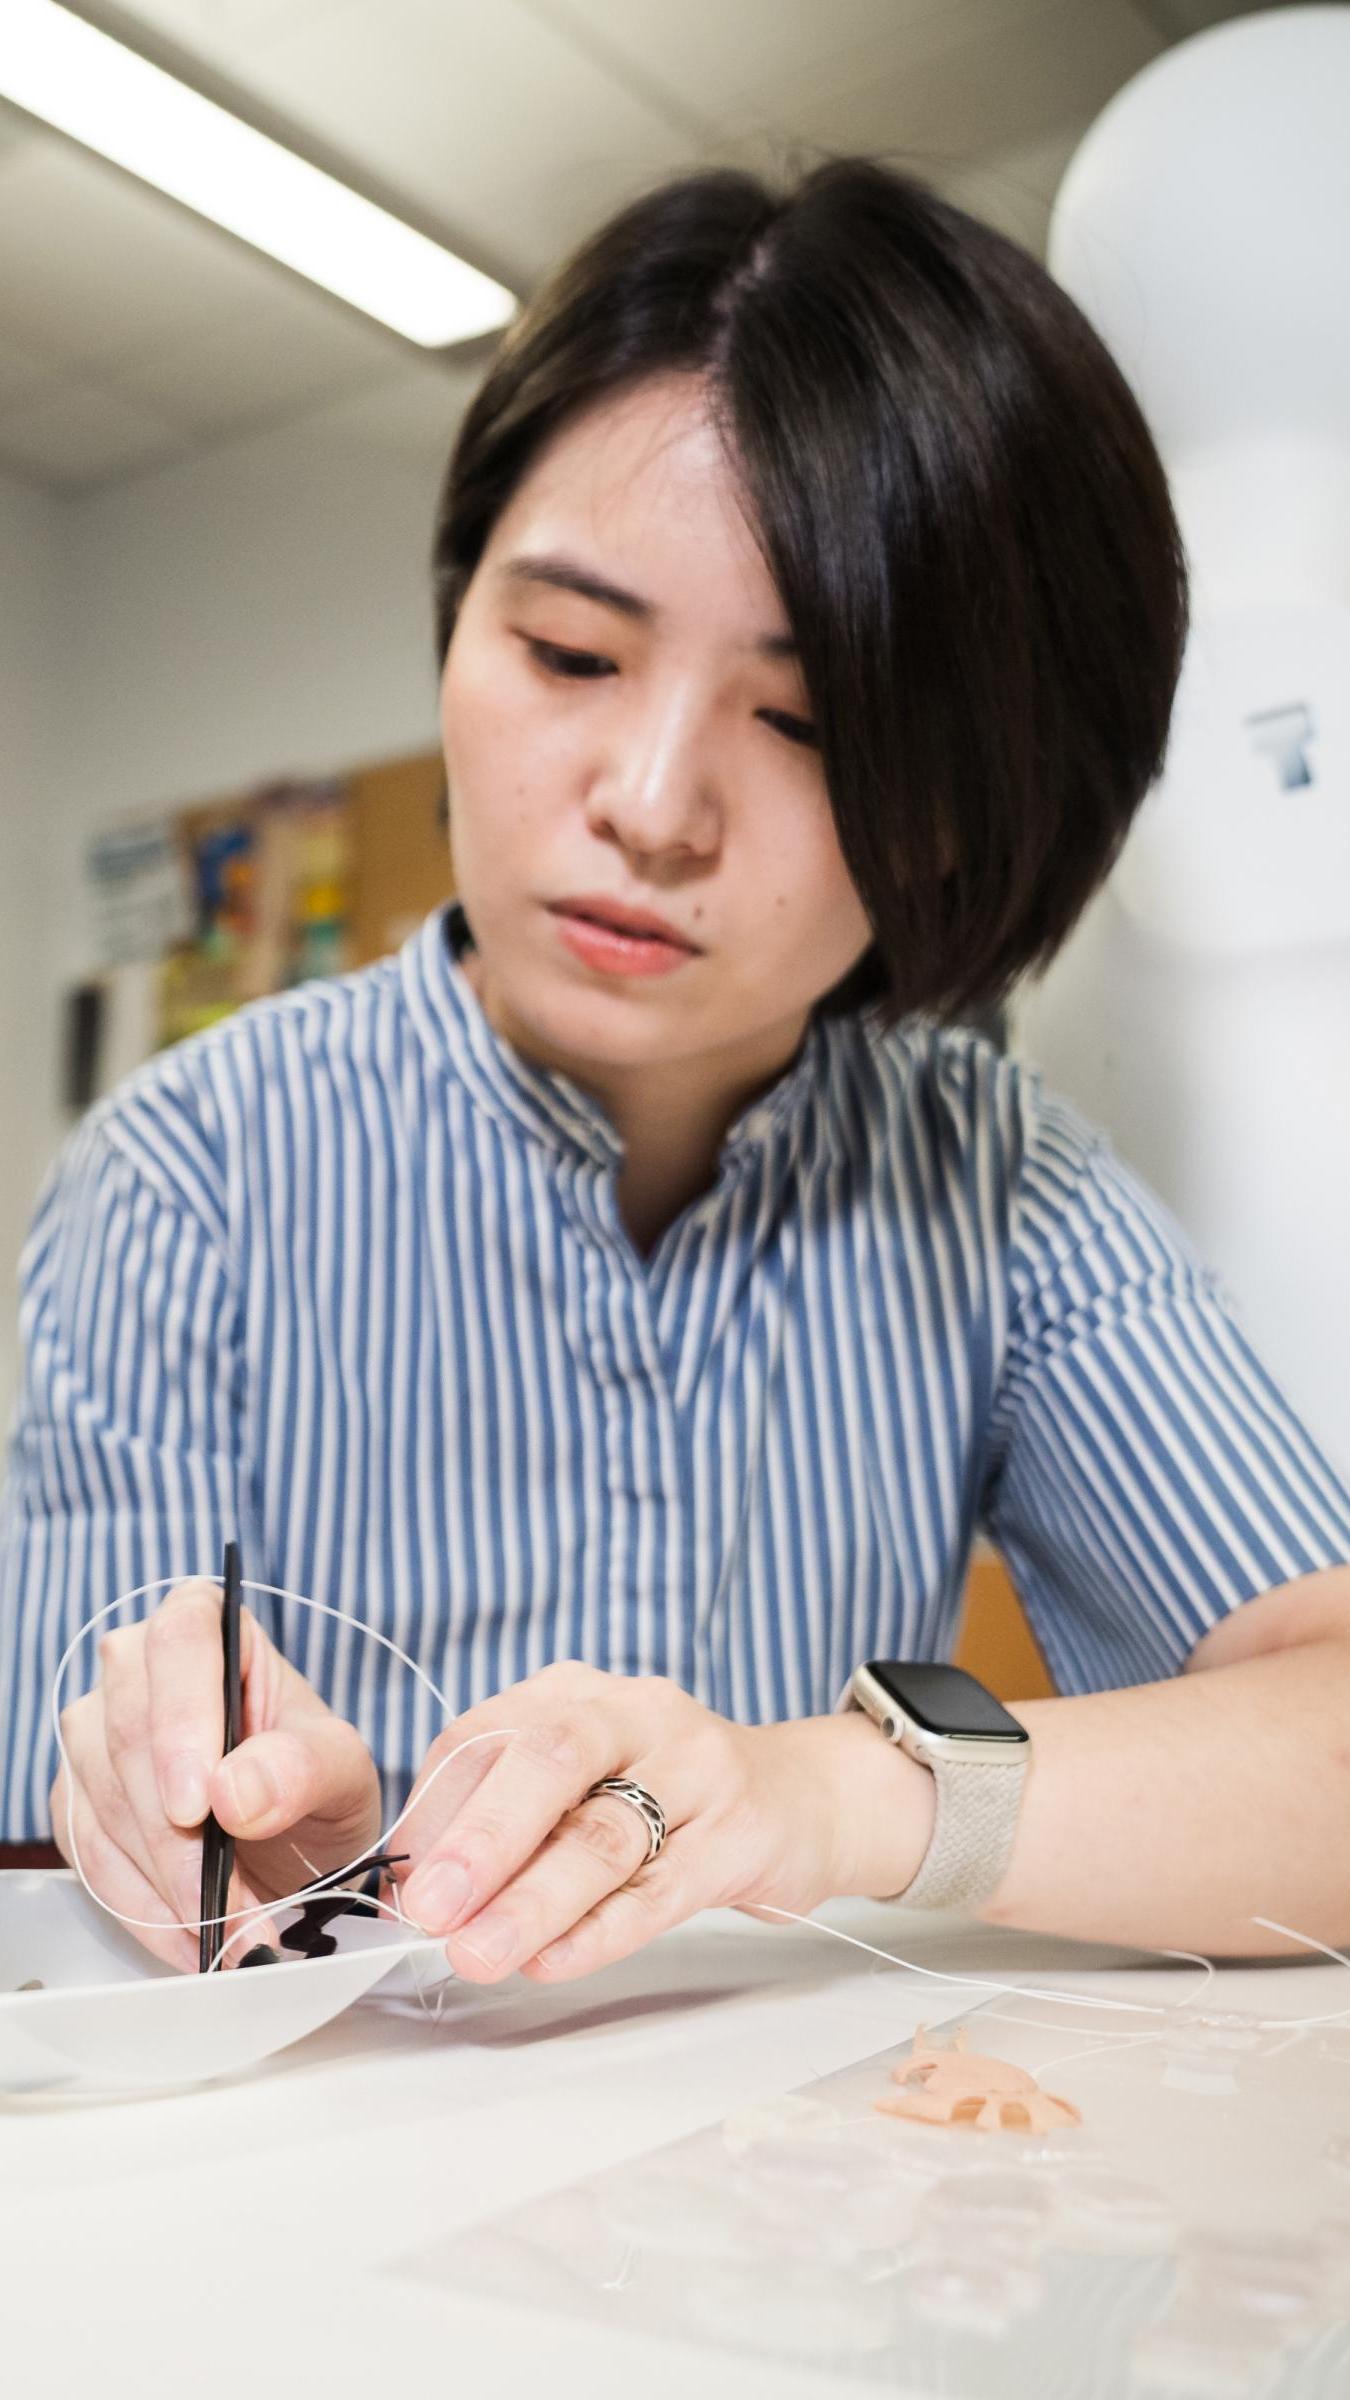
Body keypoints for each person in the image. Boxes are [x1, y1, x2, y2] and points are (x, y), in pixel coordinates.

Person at [3, 157, 1348, 1983]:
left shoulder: (996, 1184)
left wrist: (835, 1797)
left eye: (803, 720)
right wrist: (232, 1864)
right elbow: (83, 1838)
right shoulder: (191, 1171)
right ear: (461, 620)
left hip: (810, 2213)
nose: (649, 808)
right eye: (567, 651)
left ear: (970, 804)